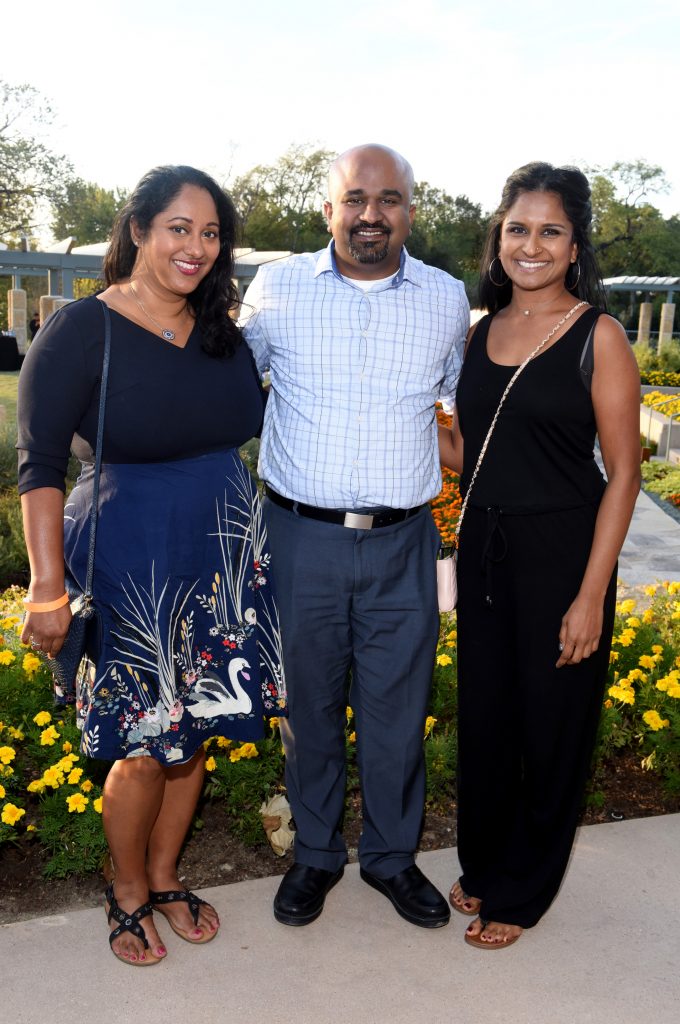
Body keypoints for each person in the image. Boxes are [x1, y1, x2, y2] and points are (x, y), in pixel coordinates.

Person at [17, 165, 286, 965]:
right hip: (131, 560)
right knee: (140, 743)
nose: (196, 247)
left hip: (221, 559)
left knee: (194, 732)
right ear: (137, 230)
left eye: (211, 234)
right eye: (179, 227)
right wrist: (46, 585)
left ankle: (165, 875)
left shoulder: (220, 331)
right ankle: (126, 886)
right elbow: (37, 467)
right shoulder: (81, 329)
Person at [241, 144, 469, 929]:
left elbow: (458, 411)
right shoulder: (274, 290)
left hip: (404, 543)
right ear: (328, 208)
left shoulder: (445, 298)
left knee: (398, 711)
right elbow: (230, 387)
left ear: (411, 208)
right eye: (356, 198)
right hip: (301, 536)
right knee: (307, 708)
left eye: (391, 198)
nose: (372, 213)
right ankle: (313, 857)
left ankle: (392, 859)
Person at [439, 162, 640, 948]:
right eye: (518, 228)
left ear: (574, 245)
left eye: (550, 231)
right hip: (486, 544)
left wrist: (591, 593)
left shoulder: (600, 334)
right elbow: (471, 452)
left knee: (551, 724)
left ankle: (523, 889)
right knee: (488, 718)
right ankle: (486, 862)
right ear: (499, 236)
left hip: (564, 549)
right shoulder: (478, 331)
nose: (531, 244)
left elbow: (623, 472)